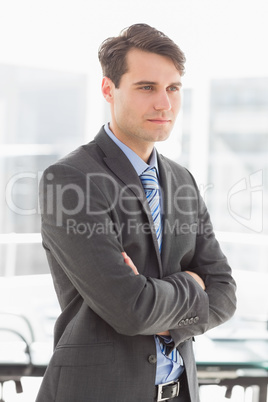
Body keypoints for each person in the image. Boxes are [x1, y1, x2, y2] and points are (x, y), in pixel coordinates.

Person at [36, 23, 236, 402]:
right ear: (108, 89)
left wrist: (158, 303)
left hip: (180, 394)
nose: (164, 103)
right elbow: (129, 309)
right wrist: (193, 284)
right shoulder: (70, 180)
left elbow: (225, 291)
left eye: (173, 88)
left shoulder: (183, 180)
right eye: (147, 87)